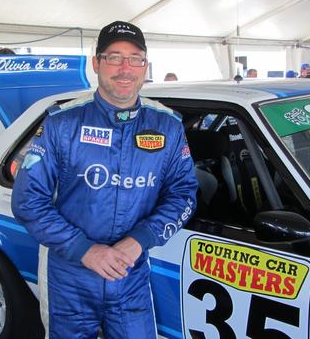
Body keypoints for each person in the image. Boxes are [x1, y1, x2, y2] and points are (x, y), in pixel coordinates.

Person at [11, 20, 198, 338]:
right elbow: (28, 201)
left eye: (135, 58)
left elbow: (184, 194)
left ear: (145, 66)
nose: (125, 68)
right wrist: (84, 249)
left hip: (131, 274)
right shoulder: (62, 123)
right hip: (69, 276)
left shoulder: (167, 125)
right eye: (114, 57)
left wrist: (141, 239)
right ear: (96, 63)